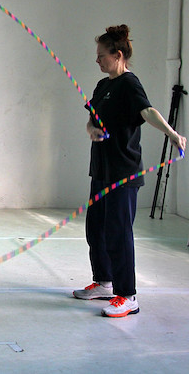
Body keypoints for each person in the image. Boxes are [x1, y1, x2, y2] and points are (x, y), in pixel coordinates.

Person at [73, 25, 185, 318]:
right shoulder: (102, 87)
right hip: (100, 169)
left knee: (118, 232)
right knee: (96, 228)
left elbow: (147, 112)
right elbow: (91, 120)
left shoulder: (129, 84)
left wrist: (172, 134)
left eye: (101, 56)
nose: (97, 61)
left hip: (124, 172)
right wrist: (92, 129)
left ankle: (128, 295)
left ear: (118, 54)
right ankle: (104, 282)